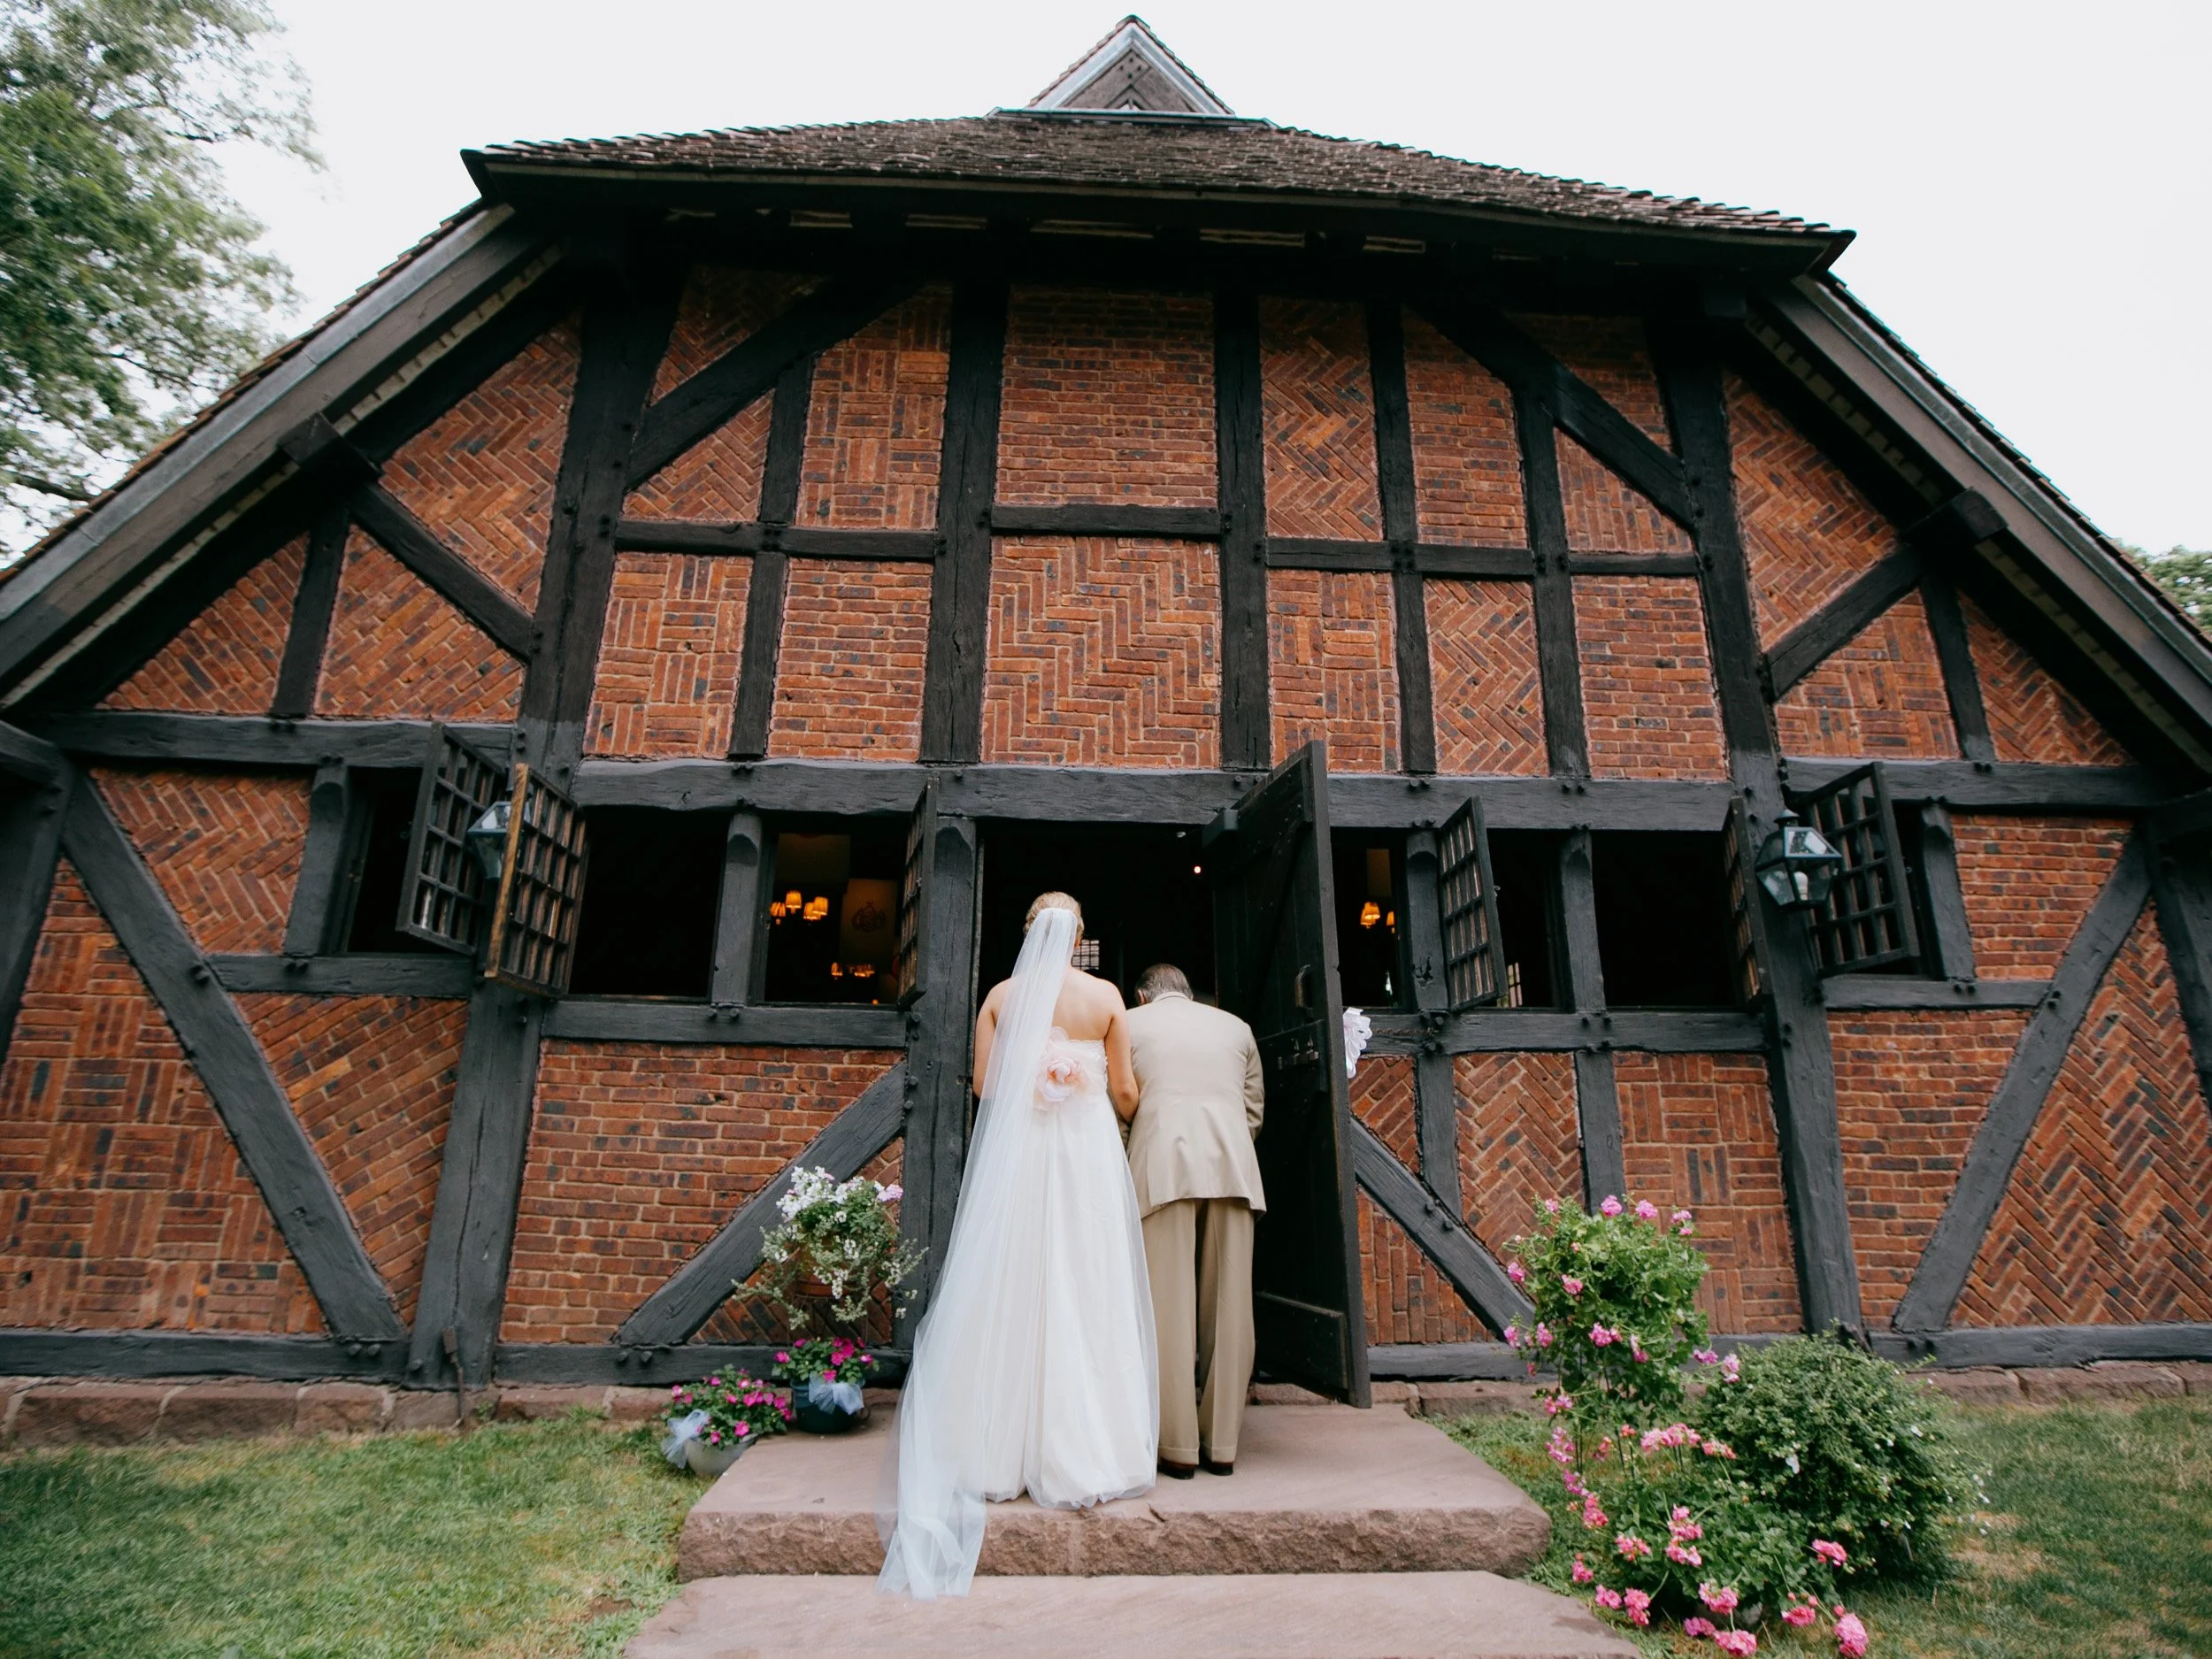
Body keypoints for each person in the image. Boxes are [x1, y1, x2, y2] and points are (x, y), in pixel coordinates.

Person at [876, 893, 1158, 1600]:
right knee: (1085, 1280)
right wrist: (1095, 1086)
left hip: (1023, 1158)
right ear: (1079, 937)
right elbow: (1125, 1092)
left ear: (1027, 931)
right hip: (1087, 1158)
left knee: (1011, 1279)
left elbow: (983, 1085)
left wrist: (1039, 1075)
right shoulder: (1106, 997)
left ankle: (993, 1451)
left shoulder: (1002, 996)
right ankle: (1083, 1450)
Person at [1123, 963, 1265, 1479]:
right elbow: (1252, 1112)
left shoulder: (1130, 1024)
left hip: (1161, 1170)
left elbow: (1121, 1108)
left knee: (1169, 1306)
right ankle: (1222, 1445)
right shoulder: (1237, 1028)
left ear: (1143, 996)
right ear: (1190, 994)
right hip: (1233, 1170)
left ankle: (1178, 1447)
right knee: (1230, 1309)